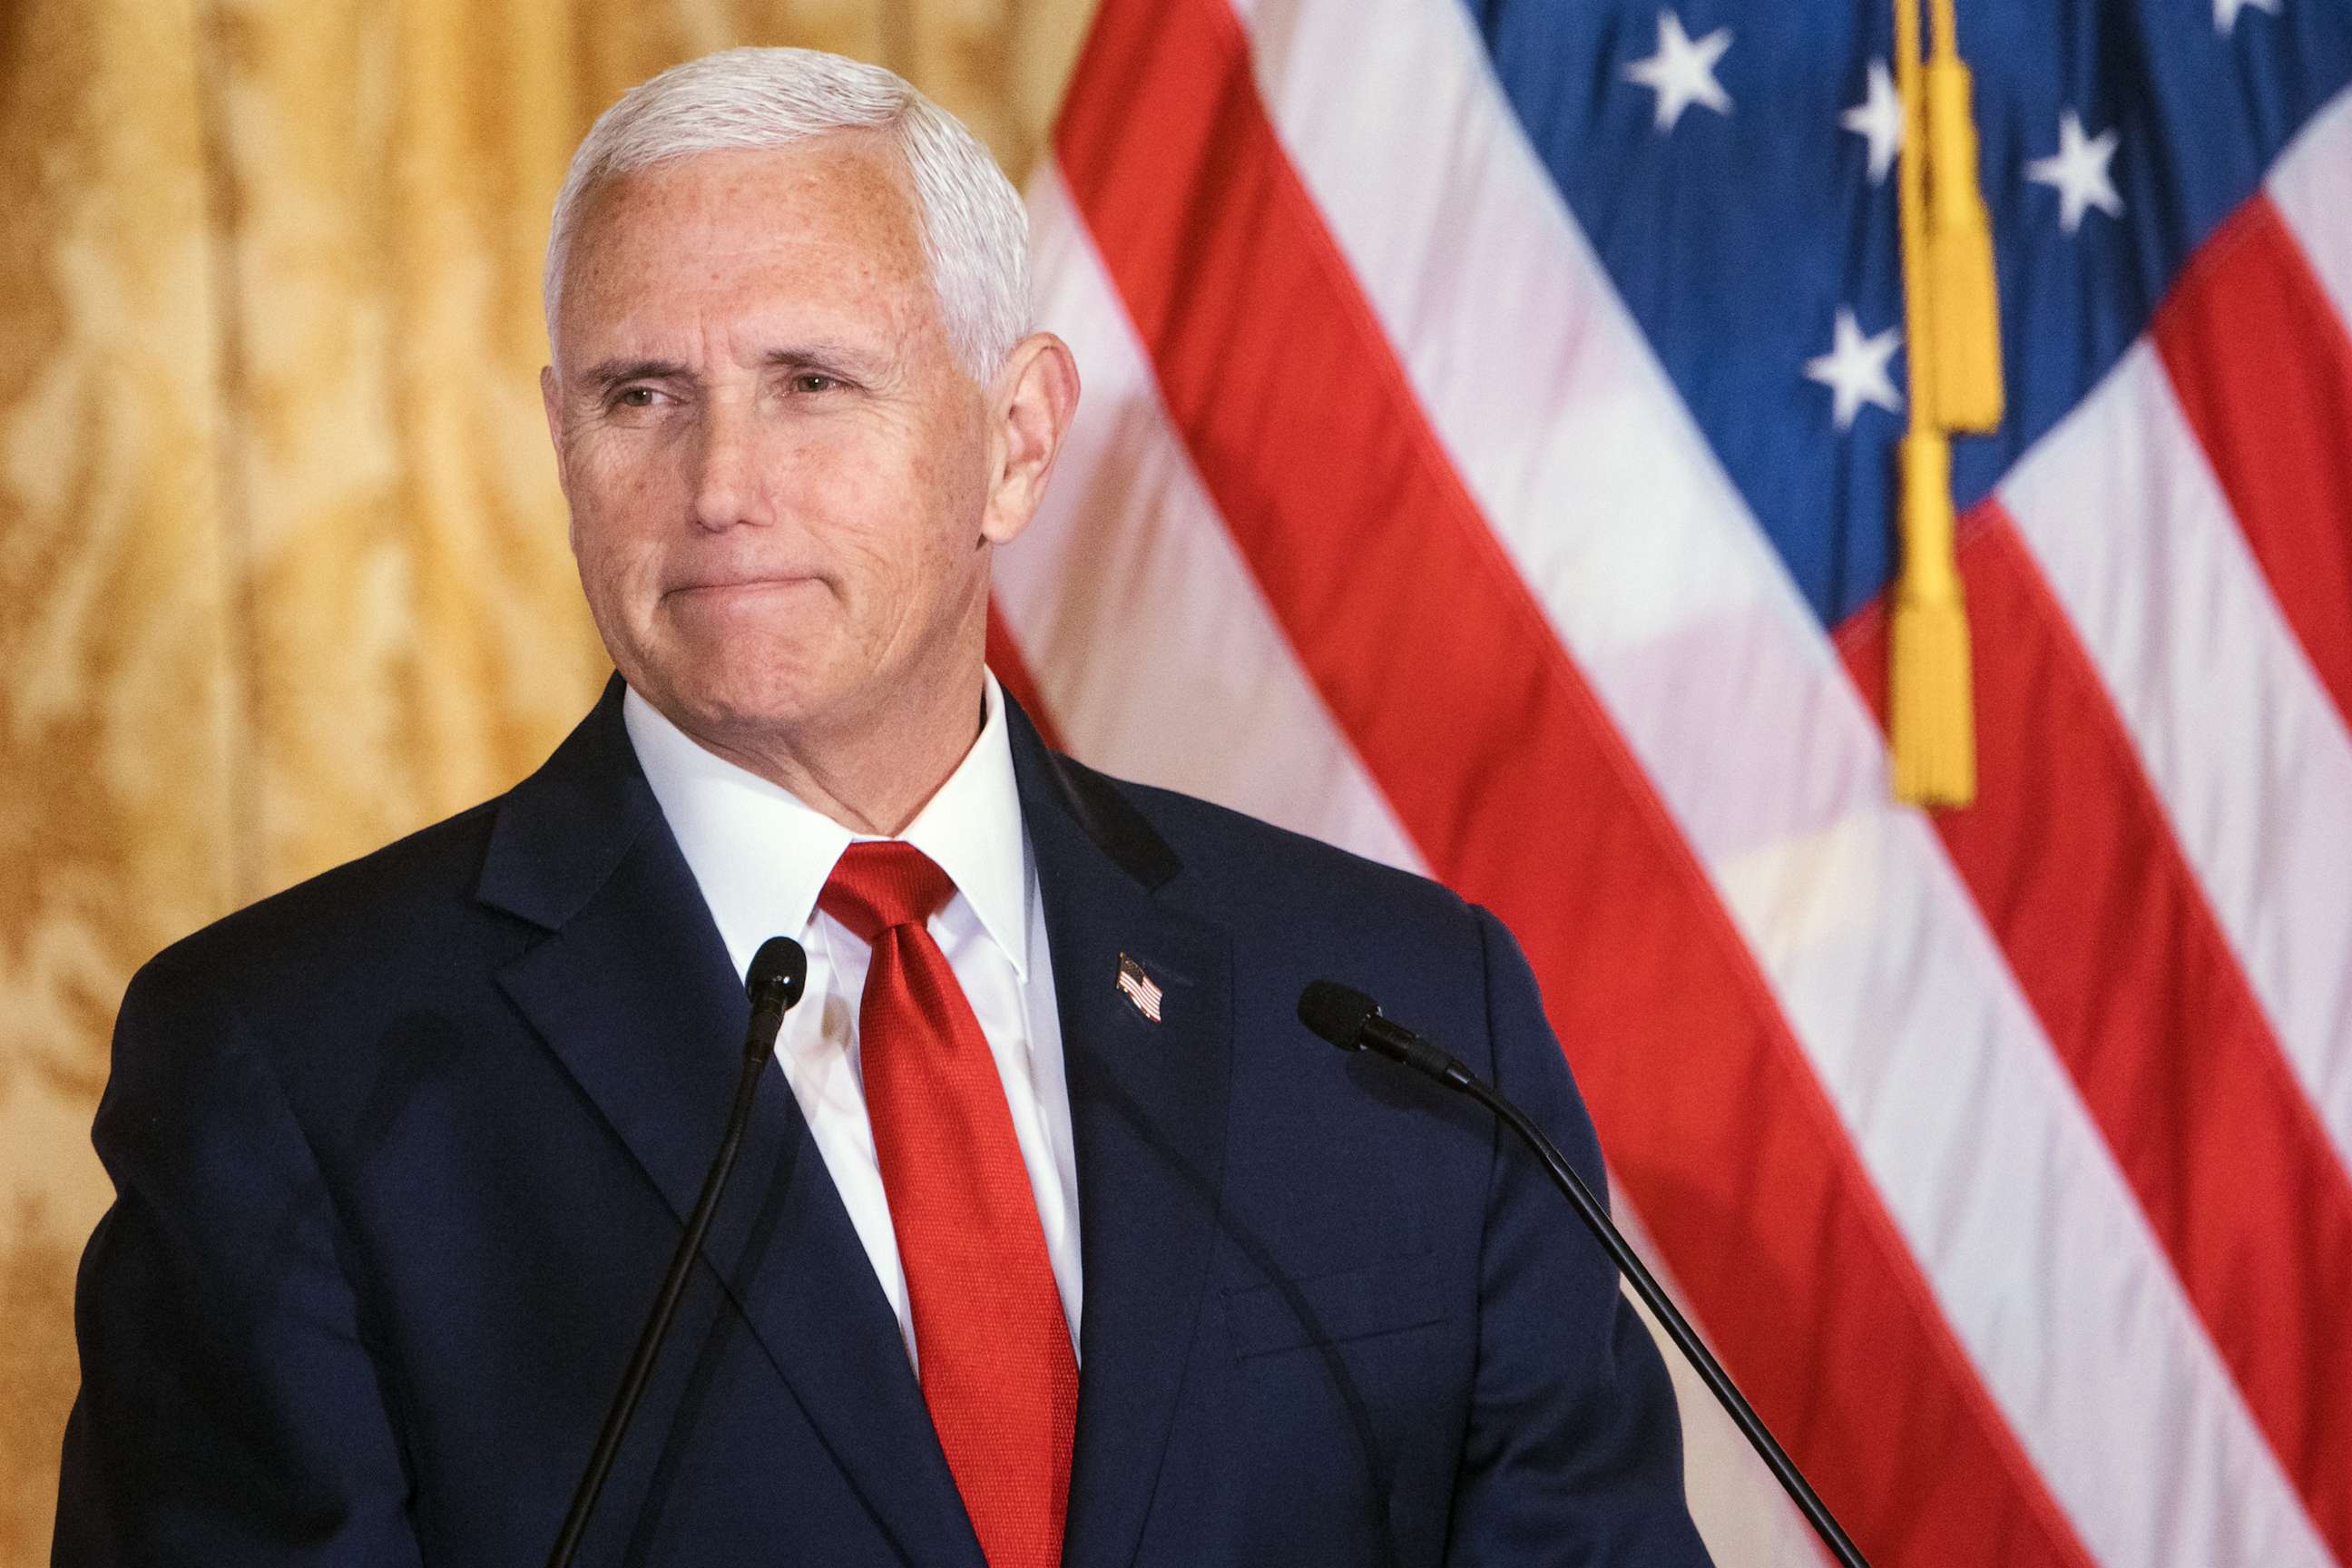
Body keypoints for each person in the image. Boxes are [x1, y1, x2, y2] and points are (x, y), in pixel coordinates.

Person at [54, 46, 1711, 1568]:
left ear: (1015, 438)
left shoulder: (1401, 1020)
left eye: (812, 381)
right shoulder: (292, 1066)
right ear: (559, 441)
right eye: (642, 394)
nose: (718, 485)